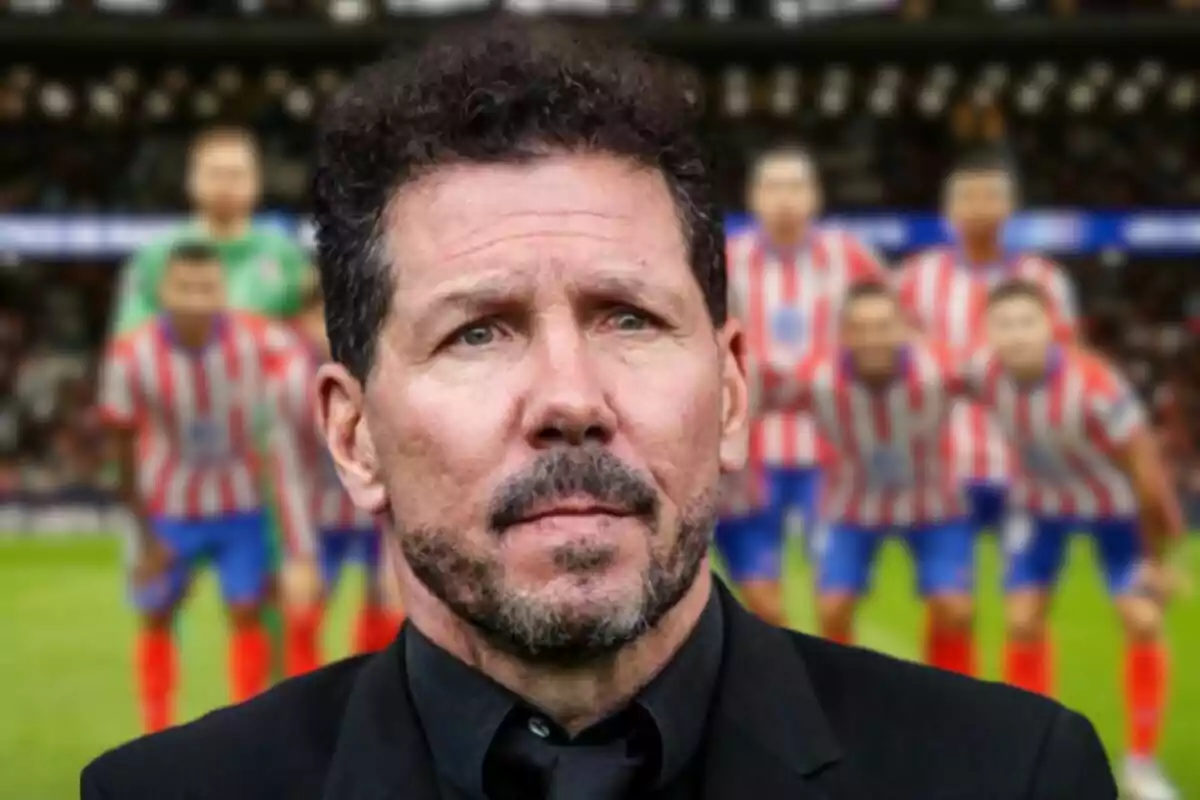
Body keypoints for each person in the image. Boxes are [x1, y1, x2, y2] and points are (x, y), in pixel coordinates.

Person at [81, 18, 1116, 800]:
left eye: (627, 316)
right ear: (353, 436)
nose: (570, 399)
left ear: (734, 390)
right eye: (477, 331)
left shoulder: (1014, 775)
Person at [965, 280, 1183, 800]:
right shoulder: (982, 375)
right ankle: (1033, 747)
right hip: (1040, 509)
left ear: (1052, 327)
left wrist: (1160, 557)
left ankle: (1142, 761)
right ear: (988, 333)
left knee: (1143, 618)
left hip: (1114, 511)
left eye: (1027, 322)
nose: (1016, 336)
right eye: (1005, 324)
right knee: (1020, 621)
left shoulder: (1095, 387)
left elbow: (1146, 470)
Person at [95, 240, 298, 734]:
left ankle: (248, 732)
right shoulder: (132, 355)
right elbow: (121, 447)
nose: (195, 296)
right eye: (184, 285)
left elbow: (307, 380)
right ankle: (156, 729)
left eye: (206, 286)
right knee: (157, 614)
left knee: (248, 613)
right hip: (168, 506)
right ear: (164, 290)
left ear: (221, 290)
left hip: (241, 505)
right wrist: (144, 538)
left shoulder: (260, 342)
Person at [758, 282, 976, 676]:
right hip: (851, 505)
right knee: (832, 607)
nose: (873, 338)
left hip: (933, 502)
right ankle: (841, 707)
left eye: (883, 326)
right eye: (861, 327)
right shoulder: (816, 377)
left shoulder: (943, 369)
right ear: (844, 334)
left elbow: (1000, 385)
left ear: (903, 329)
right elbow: (758, 394)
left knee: (954, 609)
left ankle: (953, 701)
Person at [719, 145, 886, 624]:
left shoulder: (850, 257)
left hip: (833, 452)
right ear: (754, 197)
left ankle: (835, 694)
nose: (785, 199)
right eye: (773, 187)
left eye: (796, 187)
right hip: (750, 452)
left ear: (815, 196)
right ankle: (781, 691)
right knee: (765, 605)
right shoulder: (728, 258)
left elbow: (893, 328)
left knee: (836, 599)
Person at [894, 148, 1079, 543]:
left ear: (1011, 206)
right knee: (948, 590)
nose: (979, 208)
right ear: (948, 209)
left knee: (1026, 588)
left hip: (1026, 454)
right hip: (940, 457)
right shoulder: (914, 278)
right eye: (967, 197)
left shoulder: (1044, 279)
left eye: (990, 196)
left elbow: (1068, 360)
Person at [267, 279, 404, 677]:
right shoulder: (289, 383)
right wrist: (300, 552)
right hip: (319, 519)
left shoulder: (384, 377)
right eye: (321, 318)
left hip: (377, 516)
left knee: (389, 616)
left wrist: (395, 545)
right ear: (303, 322)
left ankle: (375, 707)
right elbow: (287, 469)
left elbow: (401, 467)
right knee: (303, 614)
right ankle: (303, 719)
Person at [110, 126, 312, 333]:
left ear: (256, 181)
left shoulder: (285, 253)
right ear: (191, 180)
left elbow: (309, 329)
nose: (225, 185)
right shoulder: (156, 253)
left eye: (236, 174)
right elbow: (129, 335)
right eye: (214, 174)